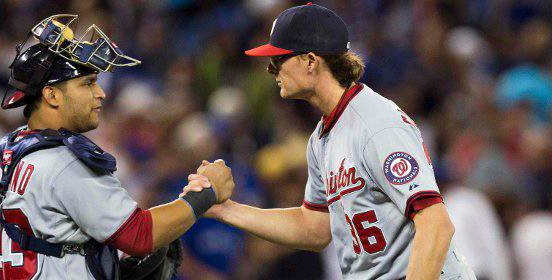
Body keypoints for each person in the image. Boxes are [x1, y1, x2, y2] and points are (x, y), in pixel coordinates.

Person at [187, 3, 476, 279]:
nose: (271, 69)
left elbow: (436, 224)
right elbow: (314, 229)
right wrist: (225, 209)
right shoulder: (322, 138)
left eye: (279, 58)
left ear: (310, 61)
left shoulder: (376, 123)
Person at [0, 15, 233, 280]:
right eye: (87, 83)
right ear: (51, 95)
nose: (101, 93)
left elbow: (40, 240)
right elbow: (140, 235)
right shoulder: (63, 162)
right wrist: (205, 193)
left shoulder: (5, 158)